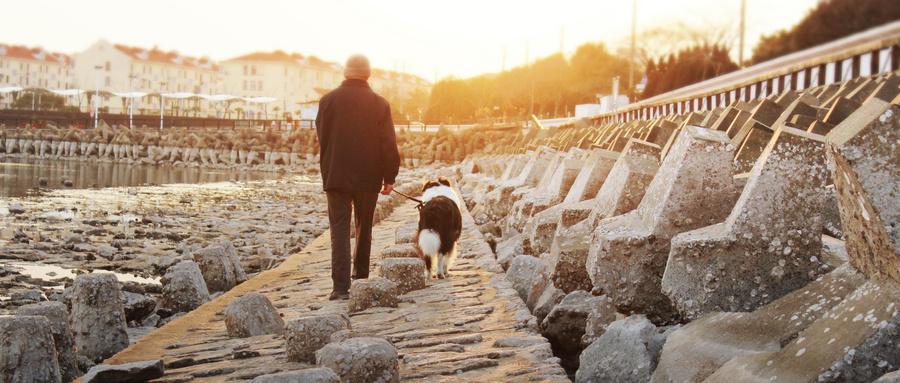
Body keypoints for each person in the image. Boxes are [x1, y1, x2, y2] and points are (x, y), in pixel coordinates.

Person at [315, 54, 401, 301]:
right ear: (368, 73)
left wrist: (331, 167)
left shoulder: (327, 100)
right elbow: (388, 143)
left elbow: (324, 137)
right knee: (364, 228)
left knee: (339, 230)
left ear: (345, 72)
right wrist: (389, 176)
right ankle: (361, 279)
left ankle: (340, 288)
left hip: (336, 175)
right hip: (368, 175)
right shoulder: (379, 103)